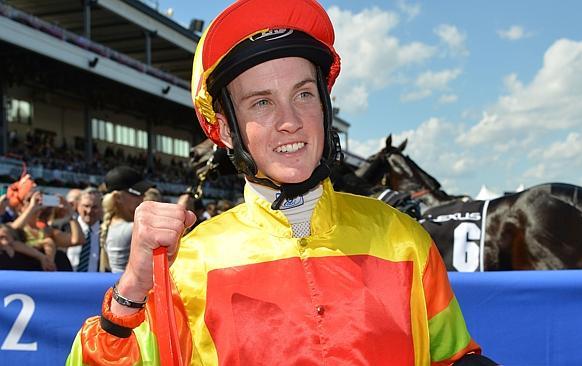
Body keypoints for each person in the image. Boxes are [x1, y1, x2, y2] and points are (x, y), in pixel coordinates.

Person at [67, 1, 496, 365]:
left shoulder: (404, 239)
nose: (290, 121)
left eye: (304, 94)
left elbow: (454, 357)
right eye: (261, 103)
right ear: (228, 130)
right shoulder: (184, 267)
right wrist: (132, 291)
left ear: (325, 108)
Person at [99, 165, 154, 272]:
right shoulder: (132, 228)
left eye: (143, 193)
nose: (142, 198)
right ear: (118, 197)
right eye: (137, 193)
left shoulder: (111, 224)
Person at [66, 187, 103, 272]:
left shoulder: (106, 231)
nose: (89, 211)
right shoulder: (66, 228)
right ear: (78, 205)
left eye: (94, 207)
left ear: (101, 207)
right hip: (68, 281)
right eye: (86, 206)